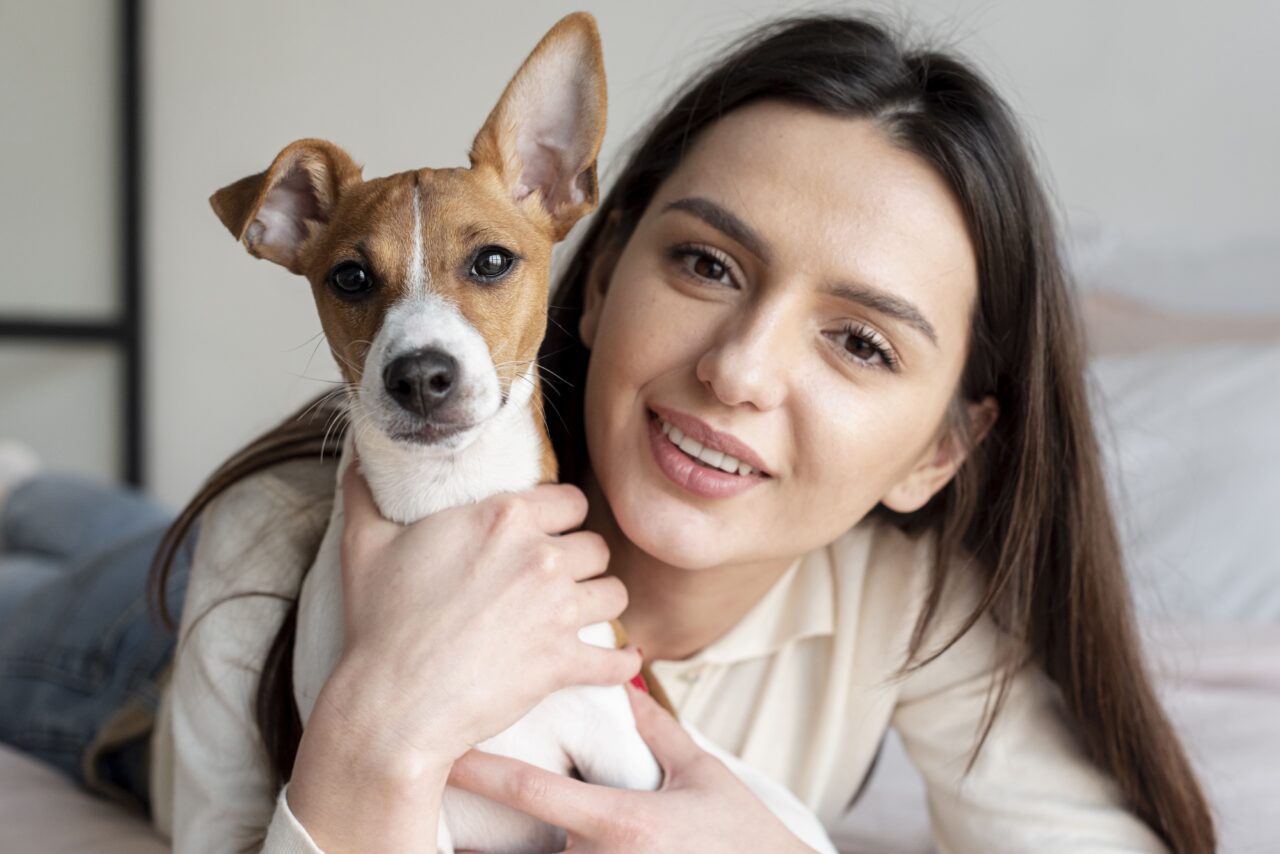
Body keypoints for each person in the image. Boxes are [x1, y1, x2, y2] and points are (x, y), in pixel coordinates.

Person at [0, 12, 1215, 853]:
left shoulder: (914, 604)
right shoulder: (274, 551)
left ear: (935, 451)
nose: (737, 369)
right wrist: (374, 720)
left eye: (860, 341)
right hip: (143, 654)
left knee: (74, 511)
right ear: (597, 269)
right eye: (703, 261)